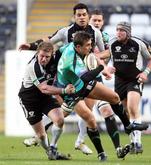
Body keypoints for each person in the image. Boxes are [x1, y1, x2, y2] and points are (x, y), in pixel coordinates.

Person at [19, 3, 105, 155]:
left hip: (87, 76)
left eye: (84, 14)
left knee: (82, 112)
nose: (82, 17)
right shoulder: (65, 33)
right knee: (85, 114)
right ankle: (49, 138)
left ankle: (77, 140)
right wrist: (32, 45)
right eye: (78, 15)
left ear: (88, 16)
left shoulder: (96, 33)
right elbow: (49, 40)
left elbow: (106, 52)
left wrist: (97, 60)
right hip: (67, 79)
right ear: (74, 16)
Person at [55, 31, 149, 161]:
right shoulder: (72, 60)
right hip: (71, 90)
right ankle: (50, 143)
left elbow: (58, 52)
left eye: (90, 44)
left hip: (80, 82)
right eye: (87, 45)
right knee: (79, 119)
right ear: (78, 47)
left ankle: (128, 127)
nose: (90, 48)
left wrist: (54, 66)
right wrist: (100, 68)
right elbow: (86, 76)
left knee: (114, 98)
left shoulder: (72, 45)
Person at [98, 22, 151, 154]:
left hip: (135, 79)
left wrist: (145, 72)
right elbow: (99, 57)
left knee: (132, 107)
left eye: (121, 30)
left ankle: (138, 143)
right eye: (117, 30)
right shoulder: (113, 44)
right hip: (119, 81)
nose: (118, 32)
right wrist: (105, 68)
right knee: (126, 112)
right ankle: (132, 141)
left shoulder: (138, 43)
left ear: (128, 33)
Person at [75, 9, 126, 158]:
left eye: (99, 21)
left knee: (107, 111)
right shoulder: (79, 36)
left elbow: (108, 53)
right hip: (82, 79)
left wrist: (103, 67)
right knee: (82, 112)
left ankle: (118, 148)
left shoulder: (103, 37)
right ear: (89, 21)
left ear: (103, 22)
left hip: (98, 78)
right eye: (94, 20)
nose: (97, 23)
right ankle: (45, 135)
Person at [18, 42, 75, 160]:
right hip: (29, 99)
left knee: (59, 120)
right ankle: (49, 151)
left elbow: (70, 45)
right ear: (37, 53)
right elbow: (44, 88)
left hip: (45, 97)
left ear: (52, 55)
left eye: (47, 57)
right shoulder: (33, 66)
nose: (43, 59)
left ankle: (53, 149)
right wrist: (64, 90)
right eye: (41, 56)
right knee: (41, 135)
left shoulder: (56, 58)